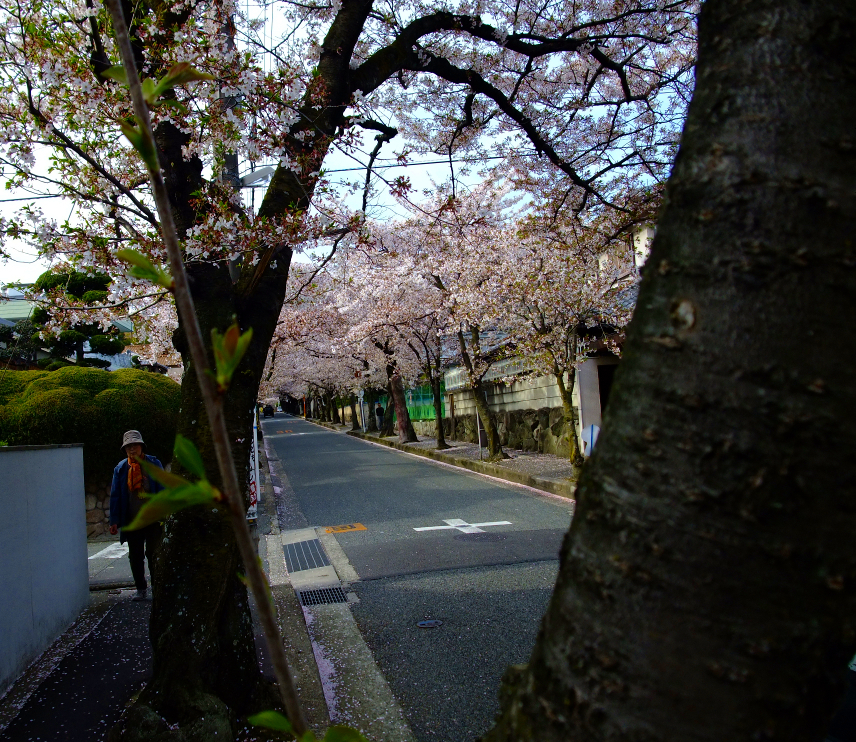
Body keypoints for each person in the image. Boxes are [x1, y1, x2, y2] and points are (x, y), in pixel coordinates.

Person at [109, 430, 164, 601]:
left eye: (135, 445)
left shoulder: (153, 463)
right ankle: (141, 588)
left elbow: (162, 488)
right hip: (132, 520)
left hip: (153, 519)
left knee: (154, 553)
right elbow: (116, 495)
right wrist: (114, 520)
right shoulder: (121, 469)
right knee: (135, 556)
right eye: (128, 447)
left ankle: (157, 587)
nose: (132, 449)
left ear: (141, 447)